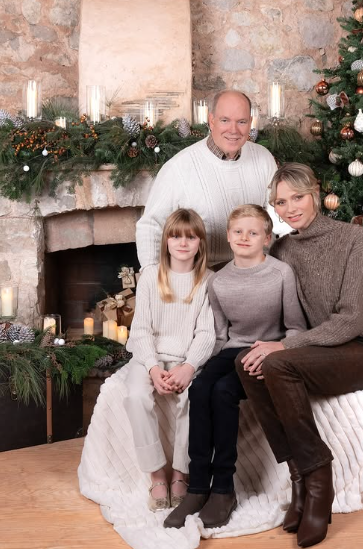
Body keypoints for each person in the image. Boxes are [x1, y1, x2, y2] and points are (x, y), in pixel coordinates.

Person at [236, 163, 363, 548]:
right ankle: (298, 476)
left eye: (297, 197)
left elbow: (354, 318)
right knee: (248, 362)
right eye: (280, 202)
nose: (290, 208)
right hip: (320, 349)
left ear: (315, 193)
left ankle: (318, 475)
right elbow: (258, 286)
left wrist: (287, 345)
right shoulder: (284, 248)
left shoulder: (354, 238)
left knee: (278, 360)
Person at [164, 204, 306, 529]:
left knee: (224, 392)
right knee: (201, 388)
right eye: (238, 232)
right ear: (228, 237)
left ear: (267, 238)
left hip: (266, 352)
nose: (244, 237)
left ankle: (224, 489)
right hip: (231, 351)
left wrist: (276, 351)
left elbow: (296, 327)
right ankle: (198, 487)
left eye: (253, 232)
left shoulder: (280, 273)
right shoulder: (219, 281)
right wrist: (194, 365)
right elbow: (218, 335)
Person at [123, 208, 215, 512]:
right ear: (166, 241)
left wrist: (188, 367)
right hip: (148, 357)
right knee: (136, 395)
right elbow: (141, 329)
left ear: (200, 242)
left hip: (187, 359)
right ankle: (157, 474)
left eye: (191, 237)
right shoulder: (151, 275)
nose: (183, 243)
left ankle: (180, 473)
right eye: (176, 236)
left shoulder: (208, 281)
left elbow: (206, 332)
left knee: (195, 397)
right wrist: (151, 367)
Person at [135, 90, 290, 270]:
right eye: (225, 120)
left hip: (256, 268)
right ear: (211, 120)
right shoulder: (178, 167)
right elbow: (151, 225)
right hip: (203, 275)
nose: (233, 130)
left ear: (250, 123)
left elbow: (278, 215)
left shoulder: (264, 158)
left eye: (241, 122)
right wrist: (151, 275)